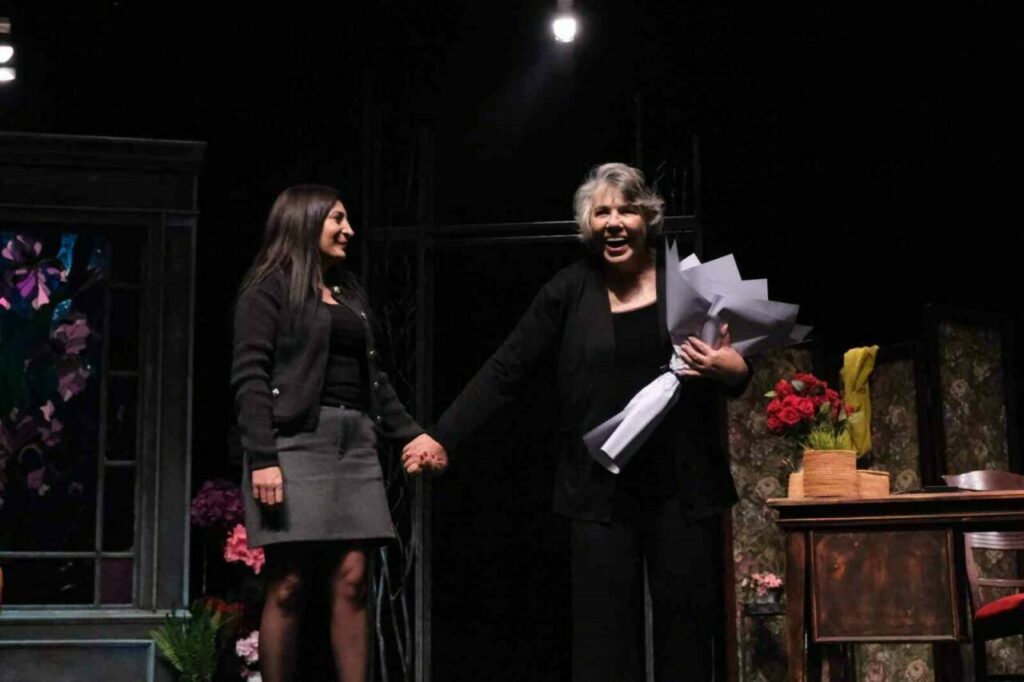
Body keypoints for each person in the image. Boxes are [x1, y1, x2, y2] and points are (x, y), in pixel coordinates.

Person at [403, 163, 750, 681]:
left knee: (688, 642)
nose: (614, 222)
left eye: (626, 210)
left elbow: (738, 362)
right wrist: (440, 434)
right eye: (601, 212)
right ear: (589, 224)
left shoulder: (688, 283)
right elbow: (507, 367)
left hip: (682, 488)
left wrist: (734, 370)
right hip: (598, 491)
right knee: (603, 647)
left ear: (647, 219)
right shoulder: (569, 289)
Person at [232, 184, 442, 681]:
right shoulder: (268, 289)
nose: (349, 230)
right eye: (338, 220)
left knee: (353, 578)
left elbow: (376, 378)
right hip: (293, 444)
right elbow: (250, 377)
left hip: (356, 445)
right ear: (306, 222)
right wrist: (263, 457)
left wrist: (411, 433)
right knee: (288, 581)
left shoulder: (349, 292)